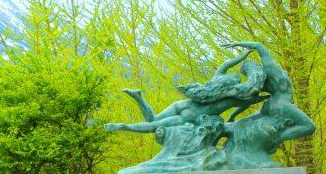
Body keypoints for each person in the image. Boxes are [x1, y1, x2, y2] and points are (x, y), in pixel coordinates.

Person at [104, 47, 268, 134]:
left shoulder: (216, 80)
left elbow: (225, 65)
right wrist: (263, 97)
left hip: (182, 105)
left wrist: (243, 55)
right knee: (152, 126)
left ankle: (138, 99)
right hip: (190, 117)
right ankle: (124, 125)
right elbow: (250, 100)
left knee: (152, 120)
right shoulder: (232, 95)